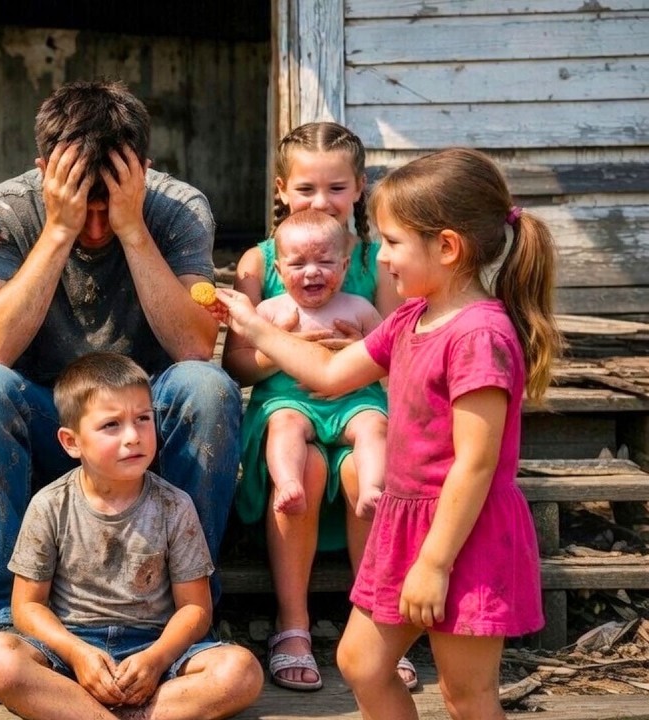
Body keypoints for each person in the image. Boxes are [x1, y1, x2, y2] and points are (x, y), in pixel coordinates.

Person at [213, 147, 559, 719]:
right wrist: (251, 325)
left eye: (394, 244)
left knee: (465, 696)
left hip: (459, 534)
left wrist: (436, 563)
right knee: (362, 663)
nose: (382, 258)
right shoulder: (408, 317)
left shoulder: (478, 336)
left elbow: (475, 465)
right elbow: (326, 371)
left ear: (447, 247)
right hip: (403, 521)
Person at [0, 79, 242, 701]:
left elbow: (194, 345)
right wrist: (57, 230)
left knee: (207, 388)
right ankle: (14, 622)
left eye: (111, 202)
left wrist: (135, 230)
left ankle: (187, 620)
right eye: (84, 202)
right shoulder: (6, 210)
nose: (97, 225)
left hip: (141, 424)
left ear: (144, 172)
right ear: (43, 171)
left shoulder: (176, 207)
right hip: (50, 423)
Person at [221, 121, 412, 692]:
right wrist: (296, 355)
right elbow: (237, 363)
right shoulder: (260, 261)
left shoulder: (378, 261)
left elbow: (397, 351)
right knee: (300, 464)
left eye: (335, 188)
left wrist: (350, 360)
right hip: (287, 406)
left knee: (364, 471)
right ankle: (294, 623)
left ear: (359, 188)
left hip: (361, 403)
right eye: (306, 189)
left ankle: (375, 622)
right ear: (281, 190)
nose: (321, 201)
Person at [0, 353, 262, 719]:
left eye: (143, 419)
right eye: (111, 425)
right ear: (71, 442)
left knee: (240, 671)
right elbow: (26, 607)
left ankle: (118, 714)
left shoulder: (175, 506)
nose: (133, 437)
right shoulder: (49, 506)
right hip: (73, 647)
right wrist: (77, 654)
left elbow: (195, 607)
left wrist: (156, 659)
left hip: (156, 647)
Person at [238, 209, 387, 520]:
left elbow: (389, 360)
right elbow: (241, 361)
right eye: (298, 264)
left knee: (374, 425)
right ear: (278, 270)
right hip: (291, 401)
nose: (311, 272)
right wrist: (276, 344)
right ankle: (289, 483)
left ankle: (373, 487)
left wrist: (360, 357)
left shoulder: (360, 309)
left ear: (345, 266)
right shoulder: (269, 312)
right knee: (283, 425)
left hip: (353, 402)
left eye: (325, 262)